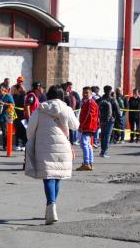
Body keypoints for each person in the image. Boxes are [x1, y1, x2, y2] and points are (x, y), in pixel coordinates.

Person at [24, 85, 79, 225]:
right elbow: (75, 126)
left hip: (44, 146)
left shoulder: (40, 109)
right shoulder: (66, 109)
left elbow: (30, 129)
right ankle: (52, 207)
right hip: (63, 147)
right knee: (57, 176)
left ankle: (50, 205)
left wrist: (33, 140)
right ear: (61, 96)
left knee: (48, 176)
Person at [76, 87, 98, 171]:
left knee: (84, 144)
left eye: (87, 93)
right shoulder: (88, 102)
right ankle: (89, 162)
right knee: (87, 145)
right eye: (84, 92)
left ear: (91, 94)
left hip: (88, 126)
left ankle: (86, 163)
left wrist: (82, 126)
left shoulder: (90, 103)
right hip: (89, 126)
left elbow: (89, 116)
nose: (85, 94)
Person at [98, 85, 121, 158]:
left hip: (102, 119)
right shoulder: (113, 99)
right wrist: (119, 120)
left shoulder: (100, 99)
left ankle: (102, 151)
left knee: (103, 135)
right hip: (110, 120)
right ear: (110, 91)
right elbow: (117, 111)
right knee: (107, 135)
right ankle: (104, 152)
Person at [13, 84, 27, 151]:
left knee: (24, 130)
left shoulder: (23, 96)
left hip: (23, 115)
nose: (14, 90)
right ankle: (18, 144)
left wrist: (21, 86)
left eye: (15, 89)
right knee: (17, 130)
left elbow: (24, 91)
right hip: (16, 115)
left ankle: (24, 145)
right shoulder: (14, 96)